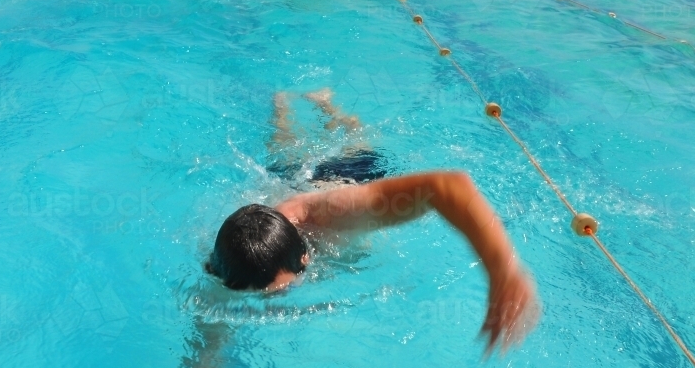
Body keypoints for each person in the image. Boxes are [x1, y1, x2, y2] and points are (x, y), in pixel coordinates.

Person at [206, 89, 539, 353]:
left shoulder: (334, 216)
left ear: (305, 256)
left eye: (280, 291)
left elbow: (448, 186)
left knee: (355, 141)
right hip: (290, 191)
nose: (276, 302)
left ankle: (327, 104)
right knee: (283, 151)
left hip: (343, 176)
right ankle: (280, 106)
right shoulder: (233, 258)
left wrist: (502, 271)